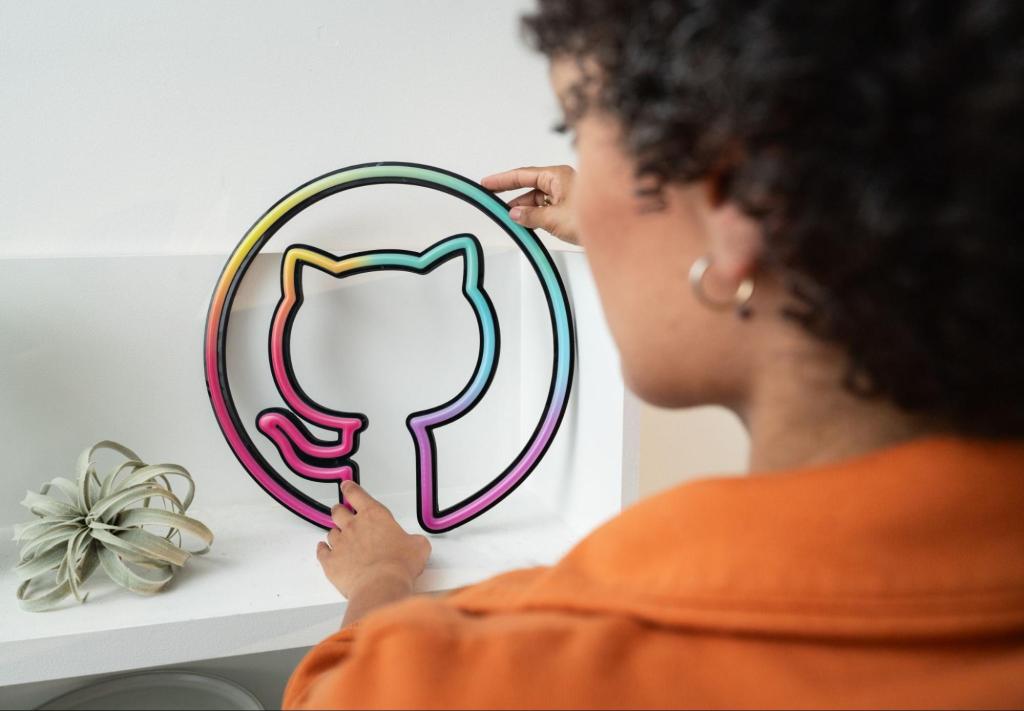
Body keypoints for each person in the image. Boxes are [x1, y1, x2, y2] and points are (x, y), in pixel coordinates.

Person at [284, 1, 1024, 707]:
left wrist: (379, 581)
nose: (586, 197)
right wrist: (658, 217)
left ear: (733, 202)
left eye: (579, 134)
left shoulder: (510, 673)